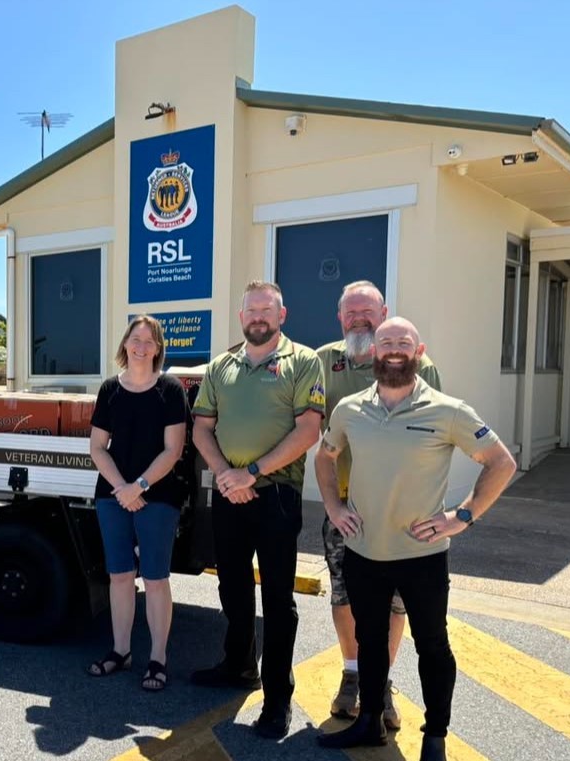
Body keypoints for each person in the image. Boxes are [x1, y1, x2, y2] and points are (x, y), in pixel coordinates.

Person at [314, 317, 516, 760]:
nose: (393, 350)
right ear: (374, 352)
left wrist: (462, 516)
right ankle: (369, 723)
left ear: (418, 350)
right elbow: (325, 458)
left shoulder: (450, 410)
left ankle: (435, 736)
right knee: (369, 641)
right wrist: (334, 506)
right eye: (386, 342)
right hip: (364, 551)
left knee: (433, 646)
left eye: (403, 342)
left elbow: (500, 462)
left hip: (422, 556)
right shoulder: (349, 409)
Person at [189, 280, 325, 740]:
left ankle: (277, 698)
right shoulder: (221, 366)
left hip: (276, 497)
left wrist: (254, 472)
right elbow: (202, 428)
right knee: (231, 584)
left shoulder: (303, 361)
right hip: (230, 493)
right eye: (251, 311)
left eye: (267, 310)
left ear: (281, 315)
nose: (258, 317)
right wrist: (227, 474)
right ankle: (239, 666)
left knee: (278, 600)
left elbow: (309, 430)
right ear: (241, 315)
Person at [315, 280, 442, 728]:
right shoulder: (323, 362)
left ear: (384, 311)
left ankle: (381, 683)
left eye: (367, 312)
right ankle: (353, 675)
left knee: (393, 605)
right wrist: (331, 506)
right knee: (345, 596)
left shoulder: (417, 364)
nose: (359, 320)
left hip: (401, 510)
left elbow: (435, 436)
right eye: (350, 313)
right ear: (340, 318)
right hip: (346, 508)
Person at [86, 315, 189, 691]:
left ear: (158, 348)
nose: (141, 346)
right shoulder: (110, 389)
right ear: (125, 344)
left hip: (157, 495)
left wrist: (140, 485)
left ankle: (158, 659)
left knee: (156, 578)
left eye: (149, 340)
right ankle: (121, 651)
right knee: (120, 575)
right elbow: (97, 447)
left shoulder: (170, 390)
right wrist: (122, 488)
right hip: (114, 495)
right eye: (135, 338)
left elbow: (173, 450)